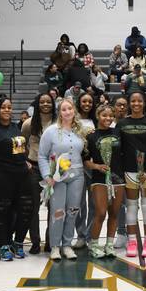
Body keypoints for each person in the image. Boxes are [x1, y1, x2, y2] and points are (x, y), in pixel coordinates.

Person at [0, 96, 34, 261]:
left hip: (22, 176)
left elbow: (17, 149)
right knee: (1, 212)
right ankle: (2, 245)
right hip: (0, 177)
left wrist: (25, 161)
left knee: (26, 209)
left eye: (9, 107)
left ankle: (17, 242)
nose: (7, 110)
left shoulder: (15, 127)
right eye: (3, 107)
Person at [37, 98, 85, 261]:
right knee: (58, 212)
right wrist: (47, 176)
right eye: (63, 109)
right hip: (57, 177)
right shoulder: (50, 131)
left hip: (77, 176)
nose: (67, 112)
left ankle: (67, 244)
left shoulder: (80, 130)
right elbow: (42, 155)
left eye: (70, 109)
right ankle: (55, 246)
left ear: (74, 110)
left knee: (72, 211)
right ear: (59, 112)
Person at [118, 91, 146, 258]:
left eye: (139, 101)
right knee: (132, 207)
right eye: (133, 101)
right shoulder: (121, 124)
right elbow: (119, 150)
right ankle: (132, 241)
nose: (136, 104)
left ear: (144, 103)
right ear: (129, 103)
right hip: (129, 172)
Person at [84, 103, 125, 258]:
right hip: (99, 178)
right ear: (98, 116)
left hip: (118, 178)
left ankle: (109, 245)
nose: (107, 118)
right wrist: (97, 166)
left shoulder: (118, 132)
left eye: (110, 116)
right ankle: (93, 245)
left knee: (114, 213)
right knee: (100, 213)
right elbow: (86, 160)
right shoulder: (91, 135)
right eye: (104, 115)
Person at [21, 93, 55, 254]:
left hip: (53, 170)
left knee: (53, 206)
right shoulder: (28, 123)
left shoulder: (58, 122)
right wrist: (25, 160)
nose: (45, 104)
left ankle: (50, 241)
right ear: (37, 104)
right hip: (33, 167)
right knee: (33, 207)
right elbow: (21, 143)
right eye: (42, 102)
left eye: (48, 101)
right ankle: (35, 241)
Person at [74, 92, 96, 248]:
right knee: (79, 203)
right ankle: (80, 235)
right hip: (77, 166)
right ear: (79, 102)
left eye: (89, 101)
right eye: (84, 101)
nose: (87, 104)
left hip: (94, 167)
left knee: (95, 203)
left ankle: (90, 235)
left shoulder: (97, 119)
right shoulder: (73, 121)